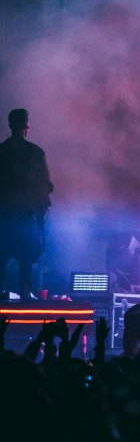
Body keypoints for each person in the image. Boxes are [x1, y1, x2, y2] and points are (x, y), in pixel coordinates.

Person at [0, 109, 54, 299]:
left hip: (4, 214)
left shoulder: (1, 152)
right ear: (26, 126)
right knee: (26, 256)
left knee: (2, 255)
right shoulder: (35, 153)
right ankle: (24, 290)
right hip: (26, 214)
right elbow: (44, 184)